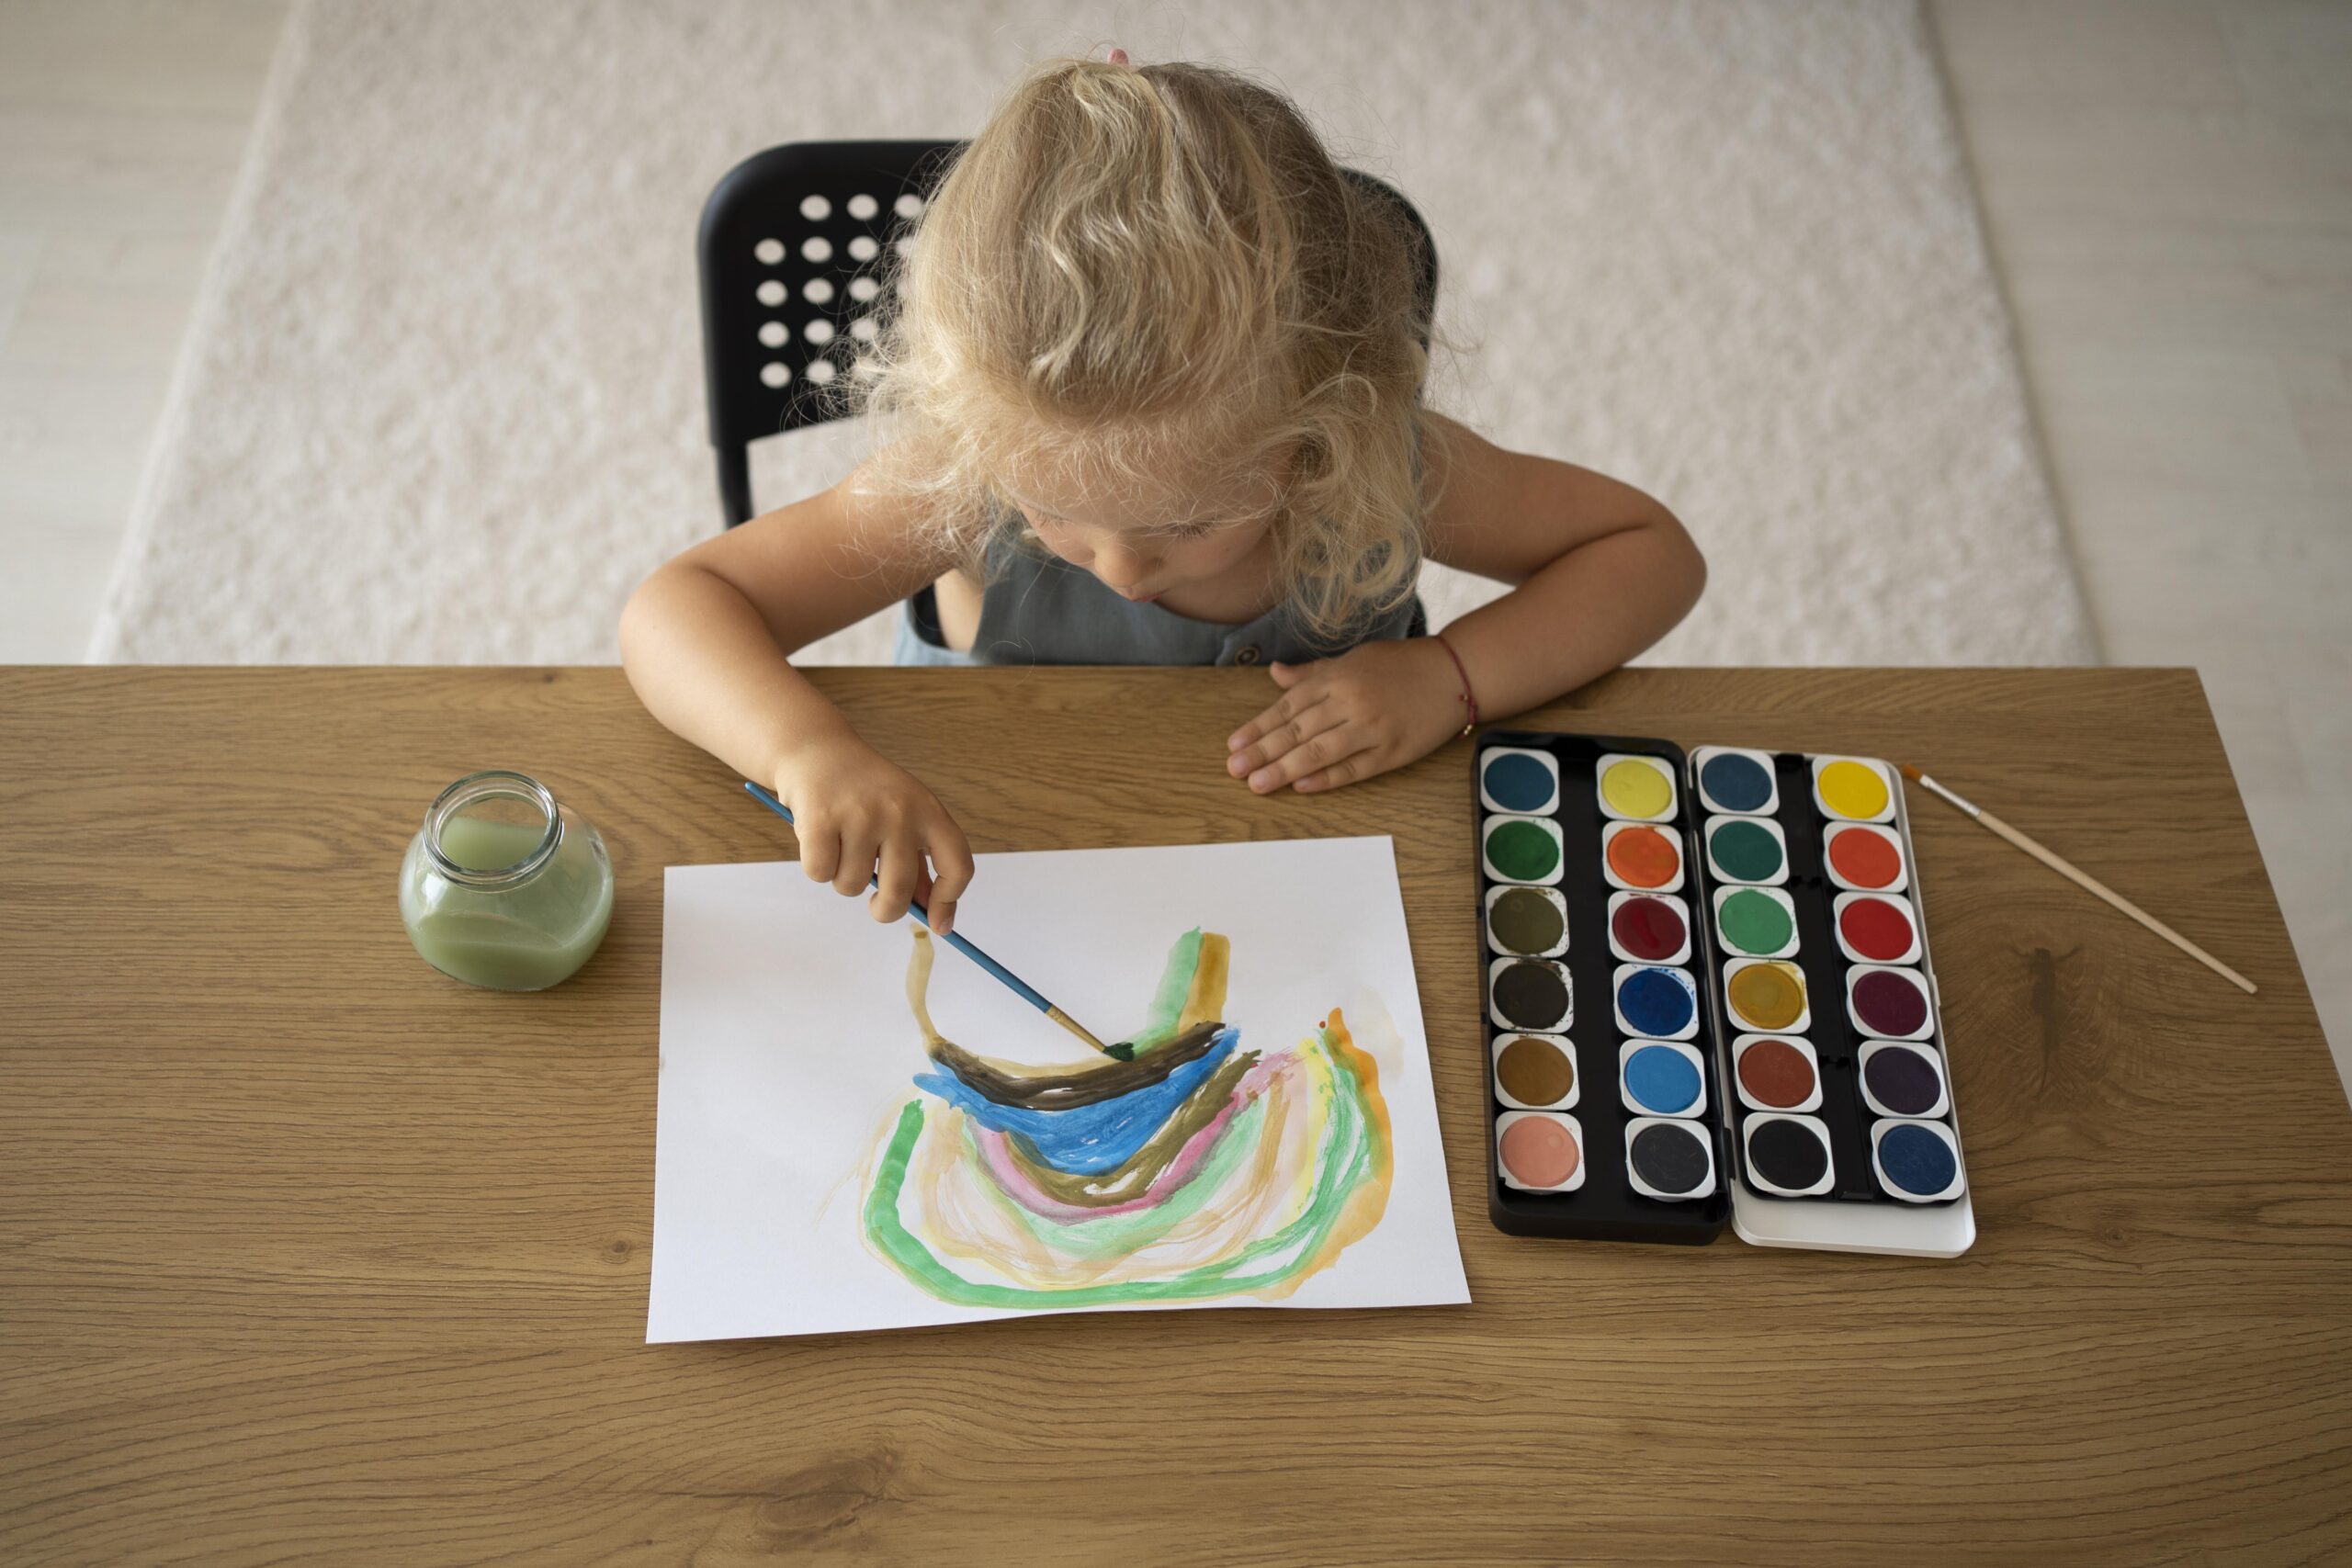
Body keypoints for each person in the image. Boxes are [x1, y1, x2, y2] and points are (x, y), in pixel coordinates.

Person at [620, 50, 1704, 938]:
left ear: (1321, 420)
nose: (1125, 569)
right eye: (1057, 515)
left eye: (1186, 523)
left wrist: (1451, 677)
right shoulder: (960, 465)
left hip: (1318, 859)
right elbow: (676, 606)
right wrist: (808, 752)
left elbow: (1646, 548)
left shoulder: (1374, 458)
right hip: (994, 838)